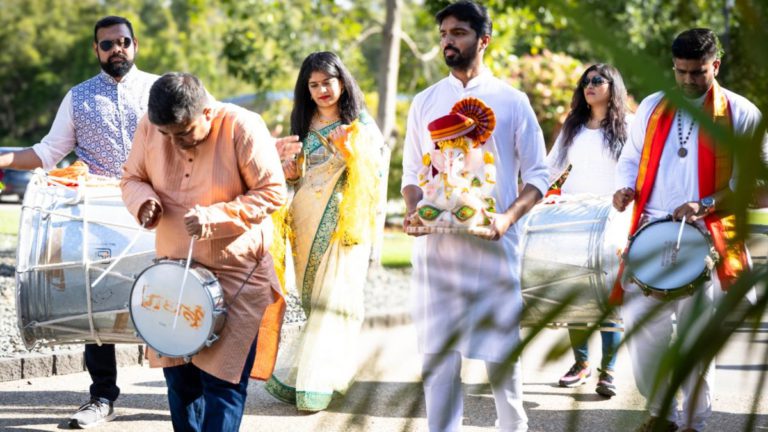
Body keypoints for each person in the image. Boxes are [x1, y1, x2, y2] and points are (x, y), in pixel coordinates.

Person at [0, 16, 158, 428]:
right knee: (98, 307)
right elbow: (48, 152)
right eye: (107, 44)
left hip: (159, 211)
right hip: (100, 217)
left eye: (123, 42)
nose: (116, 49)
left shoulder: (160, 89)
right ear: (96, 51)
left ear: (135, 45)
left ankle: (182, 395)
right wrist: (1, 158)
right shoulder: (79, 97)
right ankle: (102, 397)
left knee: (170, 298)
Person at [401, 2, 549, 431]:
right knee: (438, 352)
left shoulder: (512, 101)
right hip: (438, 250)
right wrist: (414, 212)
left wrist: (507, 220)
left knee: (502, 351)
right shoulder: (425, 102)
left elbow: (538, 174)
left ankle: (513, 427)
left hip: (493, 245)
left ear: (483, 40)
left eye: (459, 32)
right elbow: (413, 171)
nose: (449, 40)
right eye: (444, 33)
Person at [612, 28, 764, 432]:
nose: (688, 81)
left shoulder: (740, 112)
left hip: (706, 237)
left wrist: (707, 204)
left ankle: (693, 422)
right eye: (681, 72)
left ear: (716, 64)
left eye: (698, 72)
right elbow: (631, 156)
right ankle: (661, 411)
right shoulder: (652, 105)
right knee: (643, 332)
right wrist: (625, 186)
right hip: (650, 231)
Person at [120, 72, 287, 431]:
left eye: (182, 133)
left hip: (235, 280)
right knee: (180, 384)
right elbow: (132, 177)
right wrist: (143, 201)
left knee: (222, 384)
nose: (173, 143)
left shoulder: (242, 127)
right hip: (172, 277)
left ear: (207, 113)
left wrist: (216, 217)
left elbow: (273, 191)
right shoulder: (152, 127)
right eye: (165, 134)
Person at [265, 51, 385, 411]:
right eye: (313, 85)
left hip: (344, 224)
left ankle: (315, 383)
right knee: (315, 301)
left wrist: (354, 150)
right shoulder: (305, 120)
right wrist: (287, 168)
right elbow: (296, 173)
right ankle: (314, 375)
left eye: (327, 82)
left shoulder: (360, 122)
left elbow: (376, 170)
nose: (321, 90)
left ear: (342, 82)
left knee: (337, 301)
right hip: (305, 219)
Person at [545, 64, 631, 397]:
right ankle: (581, 364)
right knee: (575, 295)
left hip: (612, 222)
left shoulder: (631, 126)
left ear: (614, 86)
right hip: (572, 221)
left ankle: (607, 370)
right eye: (585, 82)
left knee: (609, 298)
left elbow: (639, 171)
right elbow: (550, 167)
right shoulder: (573, 126)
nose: (589, 86)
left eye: (597, 81)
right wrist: (529, 194)